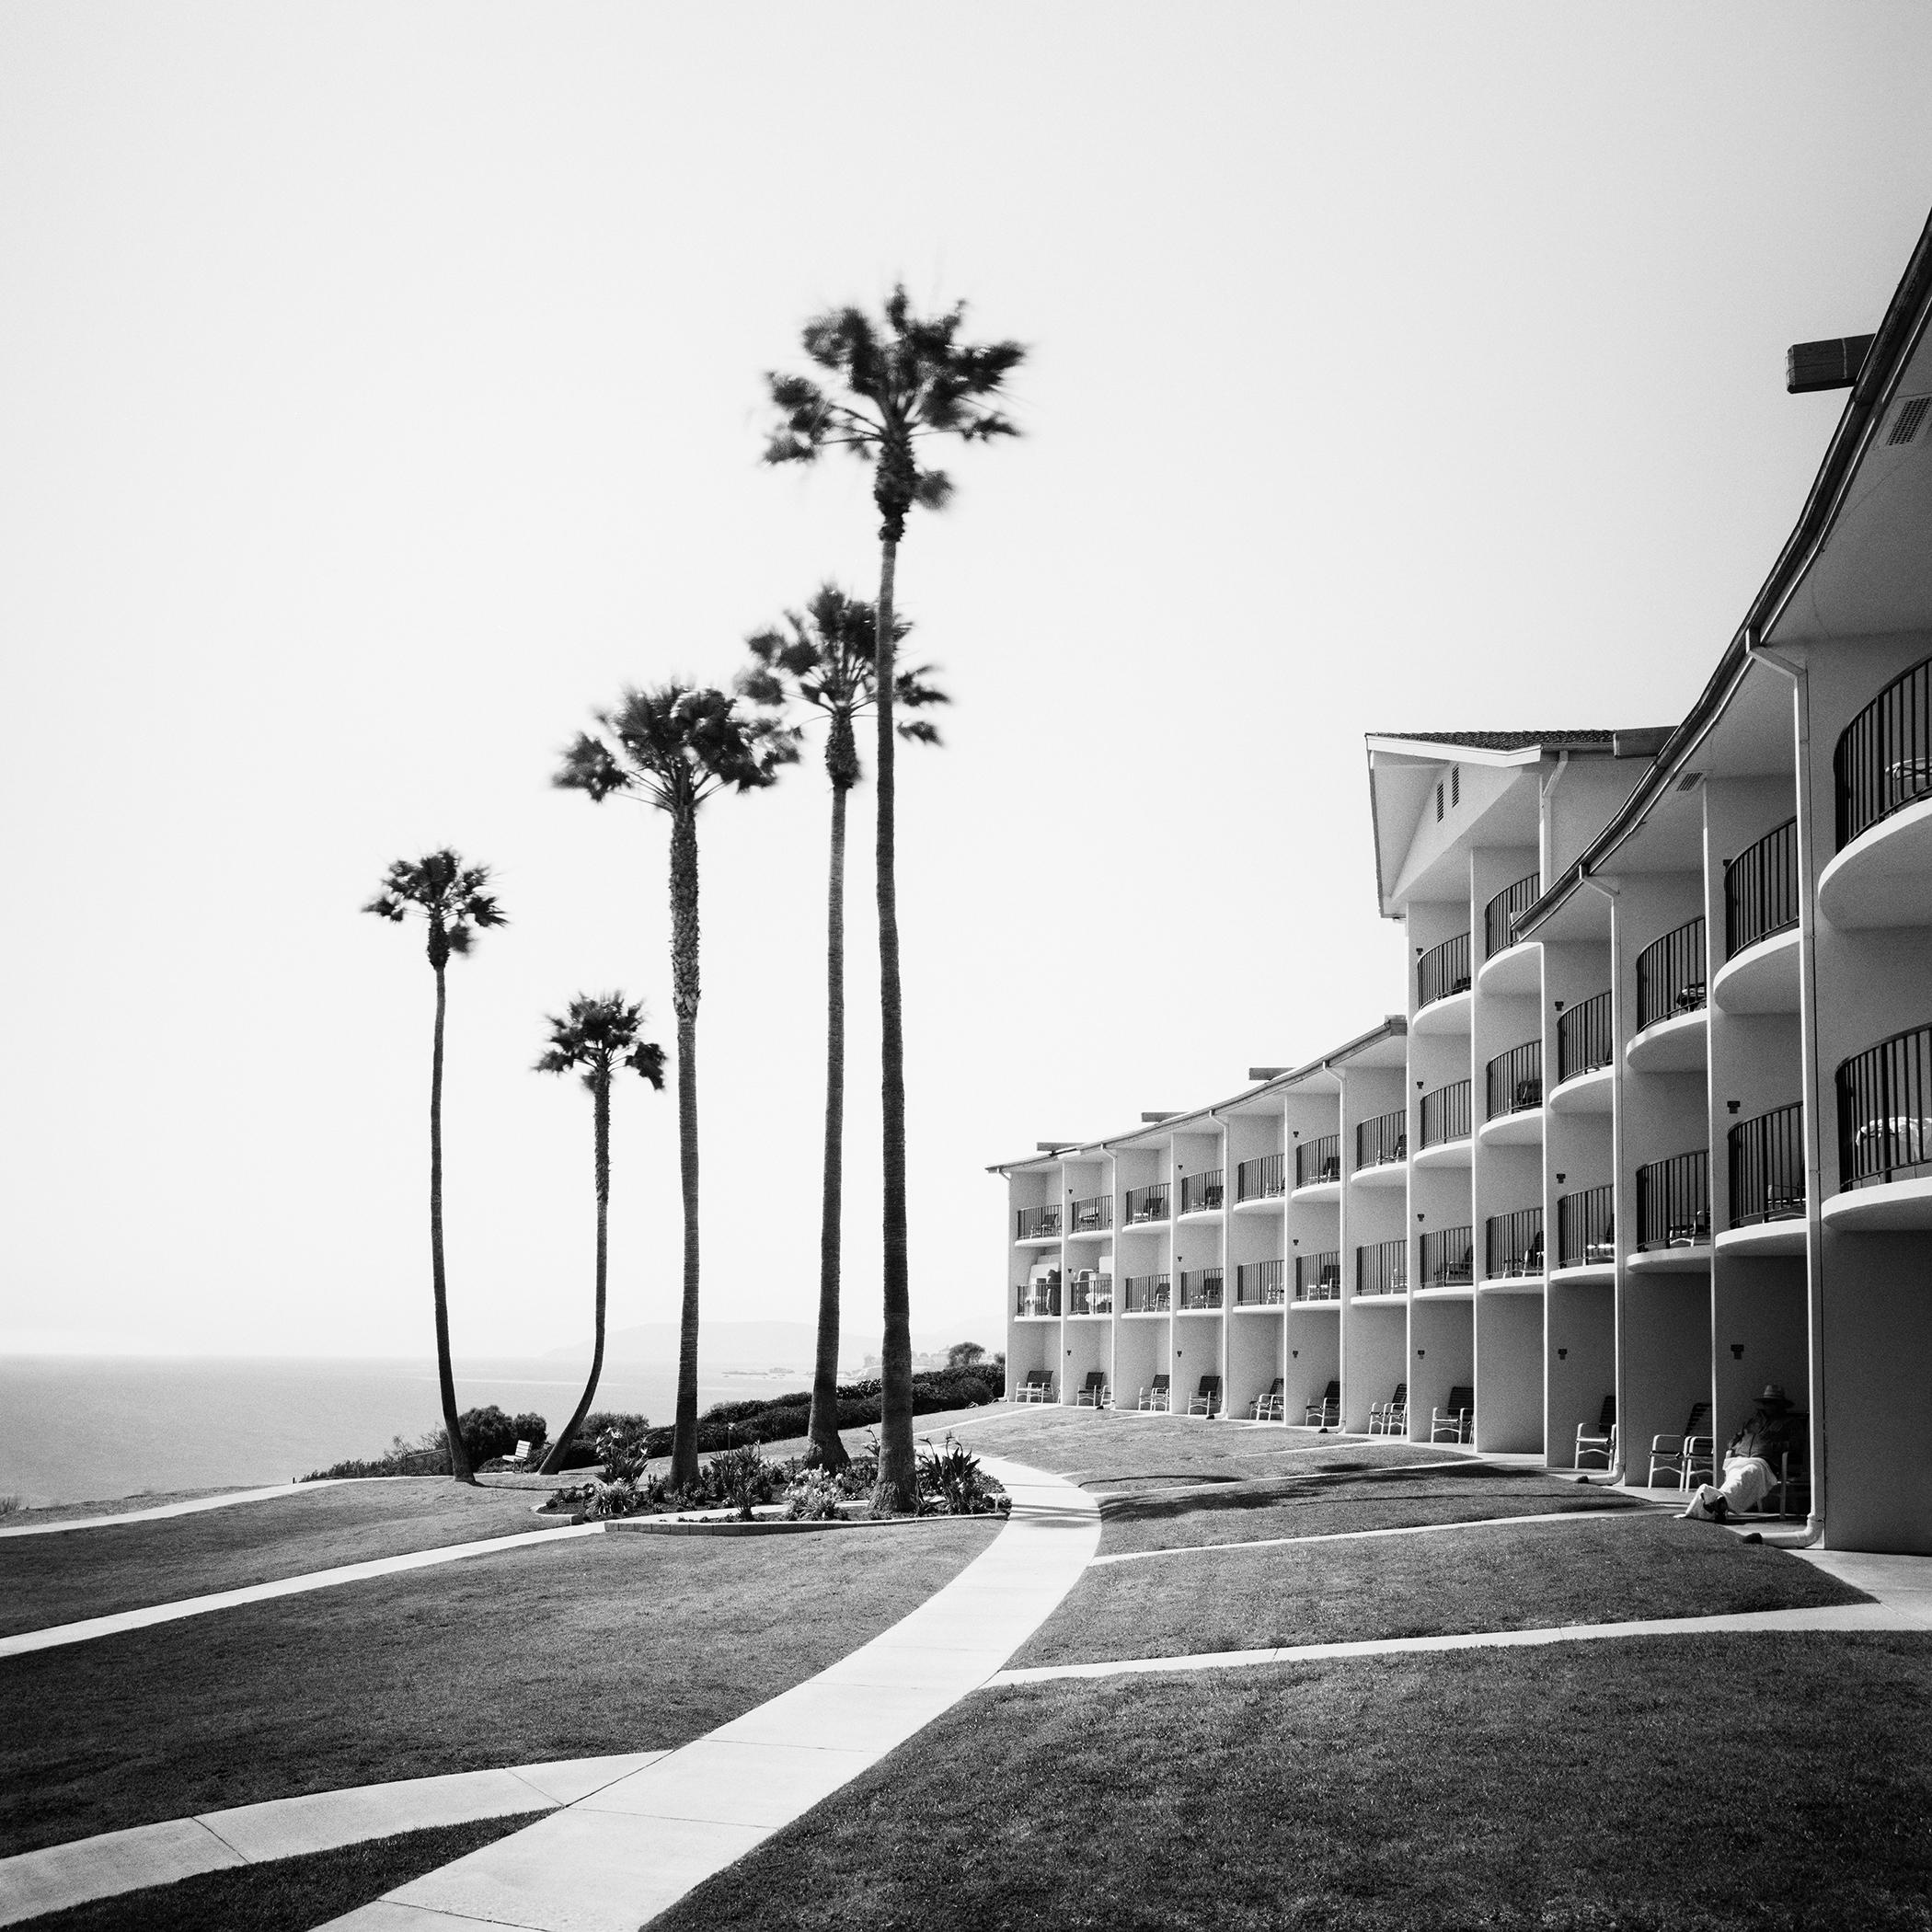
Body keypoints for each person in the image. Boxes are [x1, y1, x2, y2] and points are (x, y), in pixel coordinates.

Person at [1680, 1386, 1802, 1523]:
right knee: (1735, 1478)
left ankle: (1714, 1500)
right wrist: (1739, 1445)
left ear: (1781, 1405)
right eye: (1766, 1402)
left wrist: (1770, 1447)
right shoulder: (1753, 1422)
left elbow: (1797, 1445)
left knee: (1747, 1474)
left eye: (1773, 1402)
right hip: (1740, 1459)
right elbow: (1733, 1441)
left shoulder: (1790, 1423)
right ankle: (1718, 1502)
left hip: (1763, 1462)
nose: (1769, 1405)